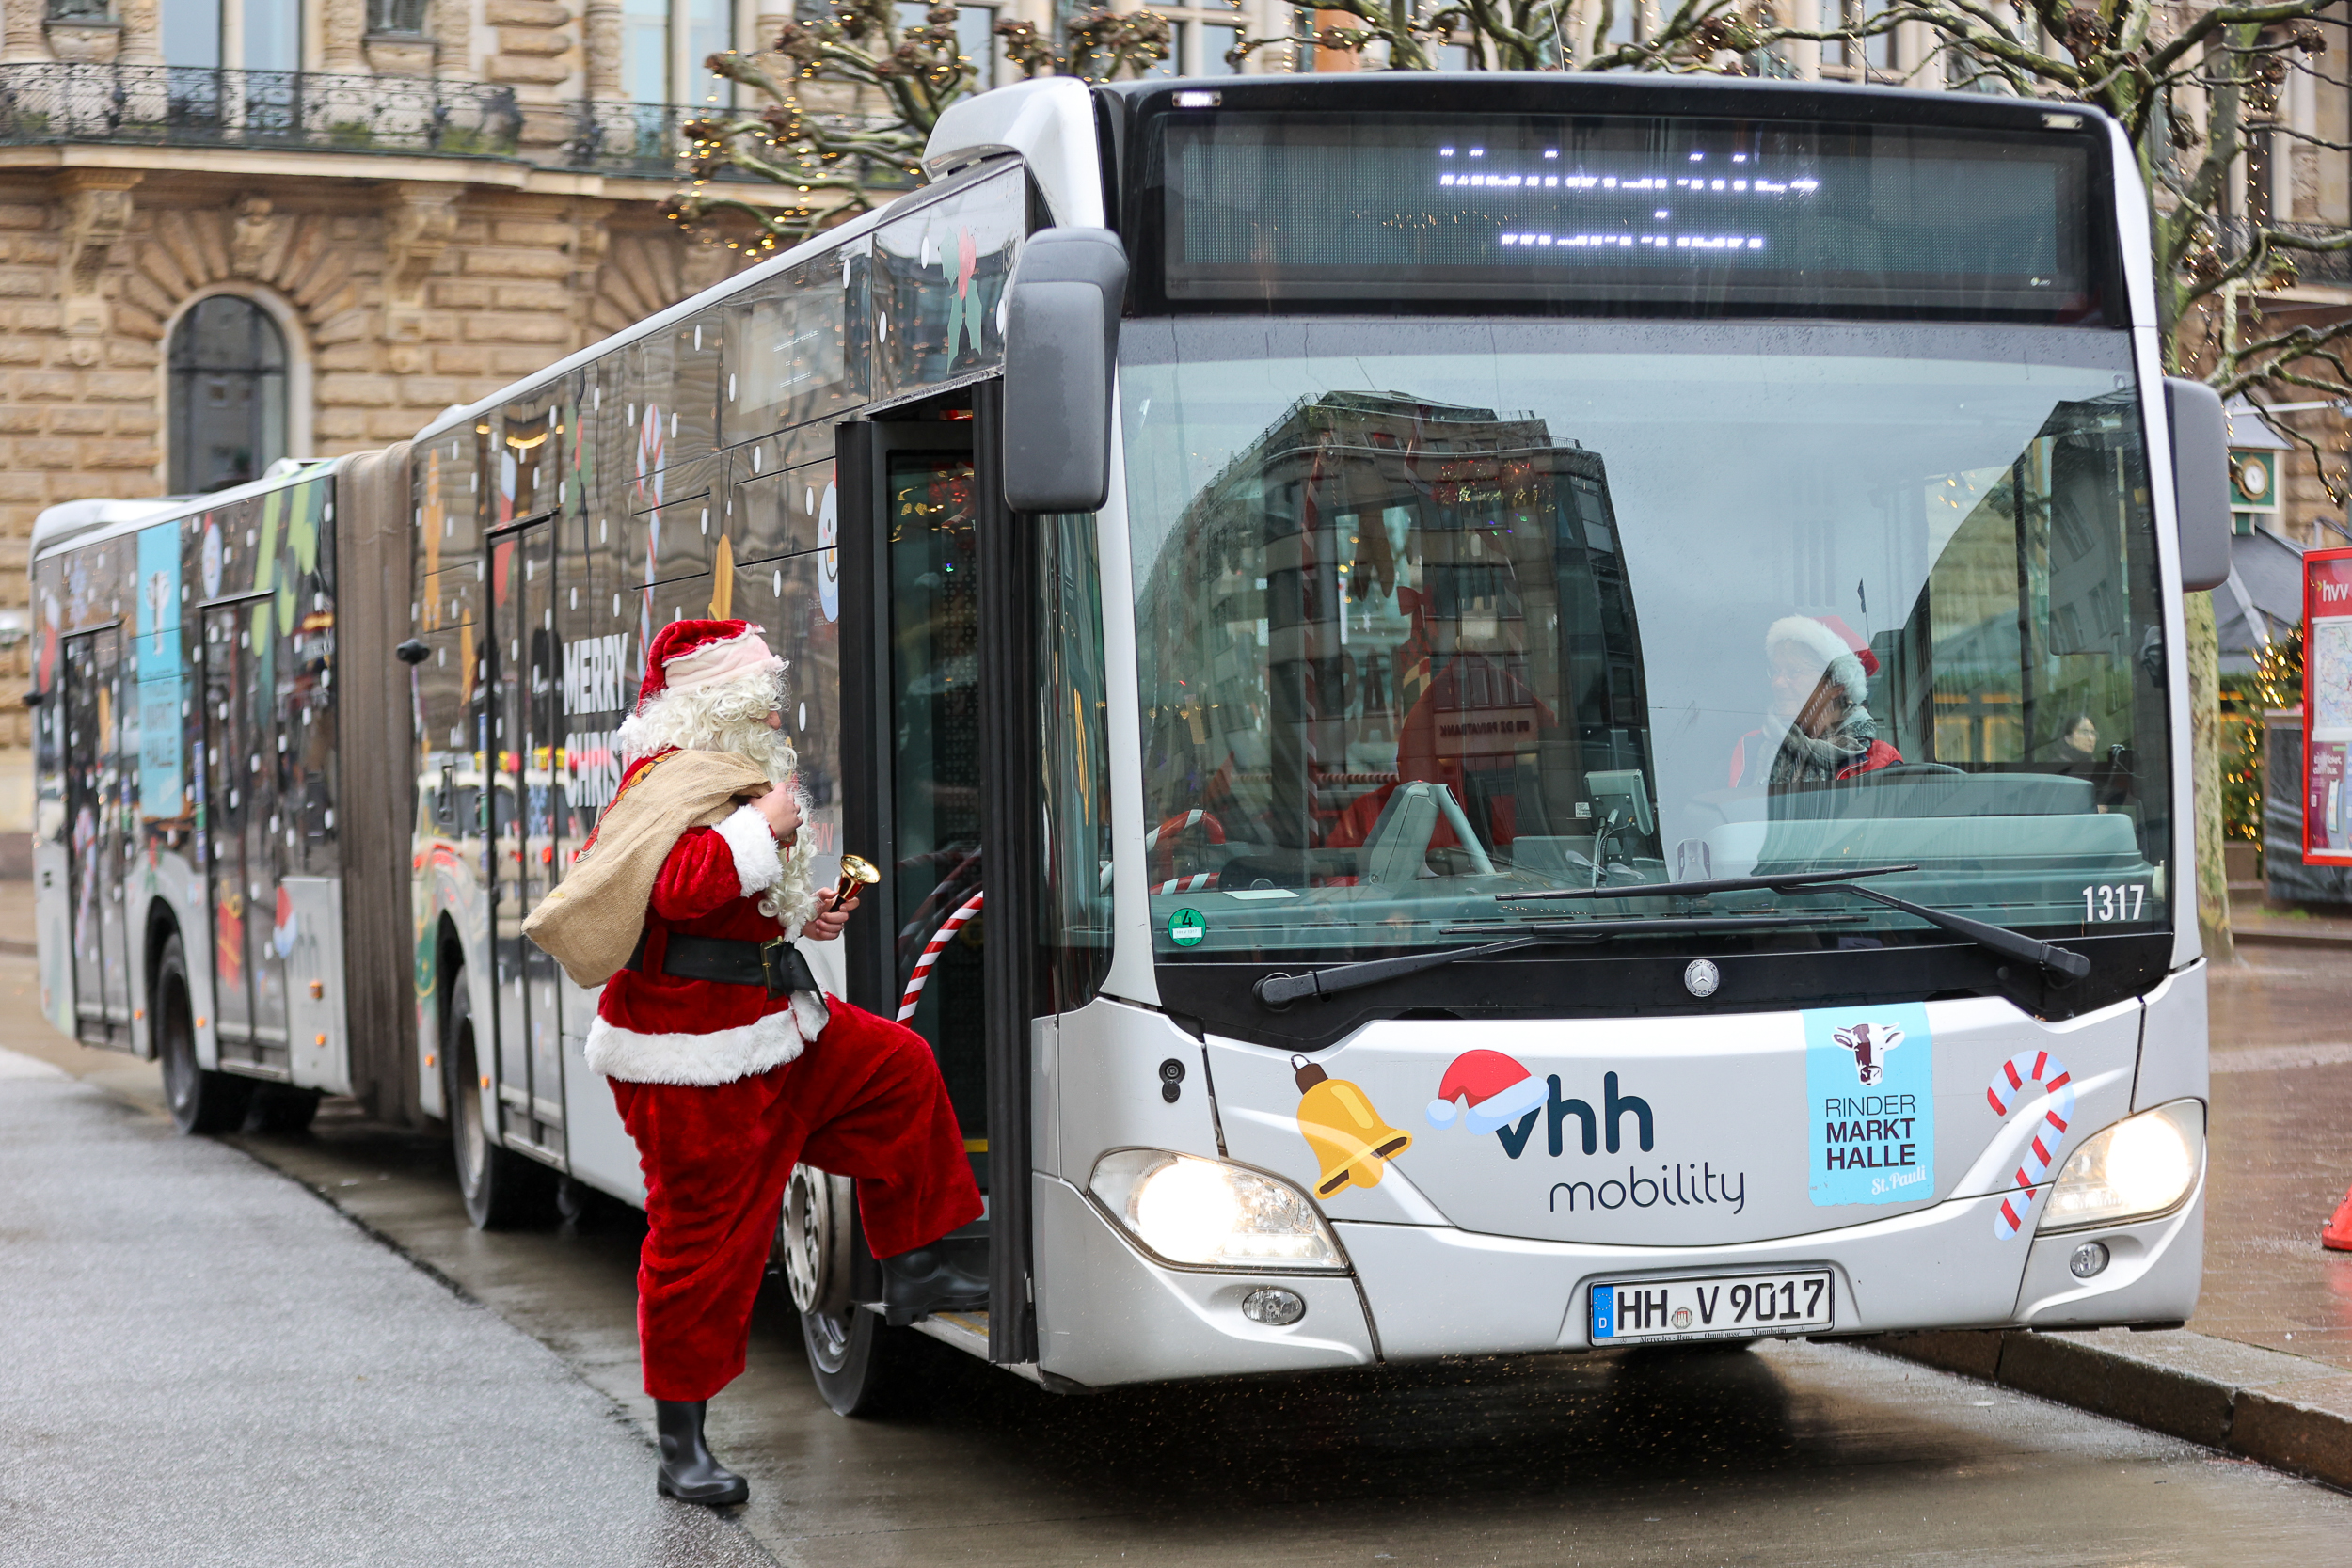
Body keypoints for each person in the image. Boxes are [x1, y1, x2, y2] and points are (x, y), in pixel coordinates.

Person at [548, 619, 985, 1508]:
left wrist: (802, 914)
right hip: (688, 1058)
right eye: (758, 694)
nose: (773, 707)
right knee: (700, 1245)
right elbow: (677, 888)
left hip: (770, 1023)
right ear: (715, 702)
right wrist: (760, 826)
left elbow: (728, 906)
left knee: (896, 1068)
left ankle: (917, 1262)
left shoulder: (730, 775)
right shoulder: (662, 778)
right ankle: (681, 1447)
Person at [1728, 614, 1901, 788]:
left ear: (1837, 684)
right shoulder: (1750, 747)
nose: (1777, 683)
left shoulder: (1881, 760)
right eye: (1775, 670)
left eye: (1794, 671)